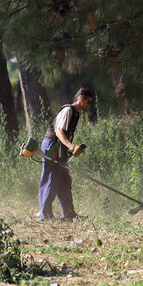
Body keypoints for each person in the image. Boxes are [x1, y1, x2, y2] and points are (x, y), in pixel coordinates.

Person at [38, 88, 94, 221]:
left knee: (64, 180)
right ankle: (45, 217)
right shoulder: (68, 110)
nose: (89, 106)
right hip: (52, 146)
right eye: (88, 102)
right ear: (81, 99)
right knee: (51, 180)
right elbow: (59, 131)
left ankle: (69, 214)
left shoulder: (76, 113)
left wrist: (71, 149)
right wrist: (71, 146)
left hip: (60, 147)